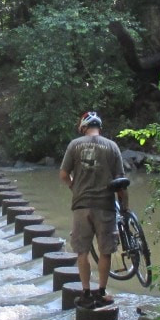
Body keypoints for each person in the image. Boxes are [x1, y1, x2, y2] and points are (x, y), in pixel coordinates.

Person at [59, 110, 123, 308]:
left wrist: (74, 187)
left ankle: (86, 292)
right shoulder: (112, 147)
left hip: (81, 205)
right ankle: (102, 292)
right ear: (99, 127)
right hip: (105, 206)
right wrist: (126, 206)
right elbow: (121, 182)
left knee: (82, 252)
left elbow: (63, 175)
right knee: (105, 252)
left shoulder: (74, 145)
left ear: (83, 127)